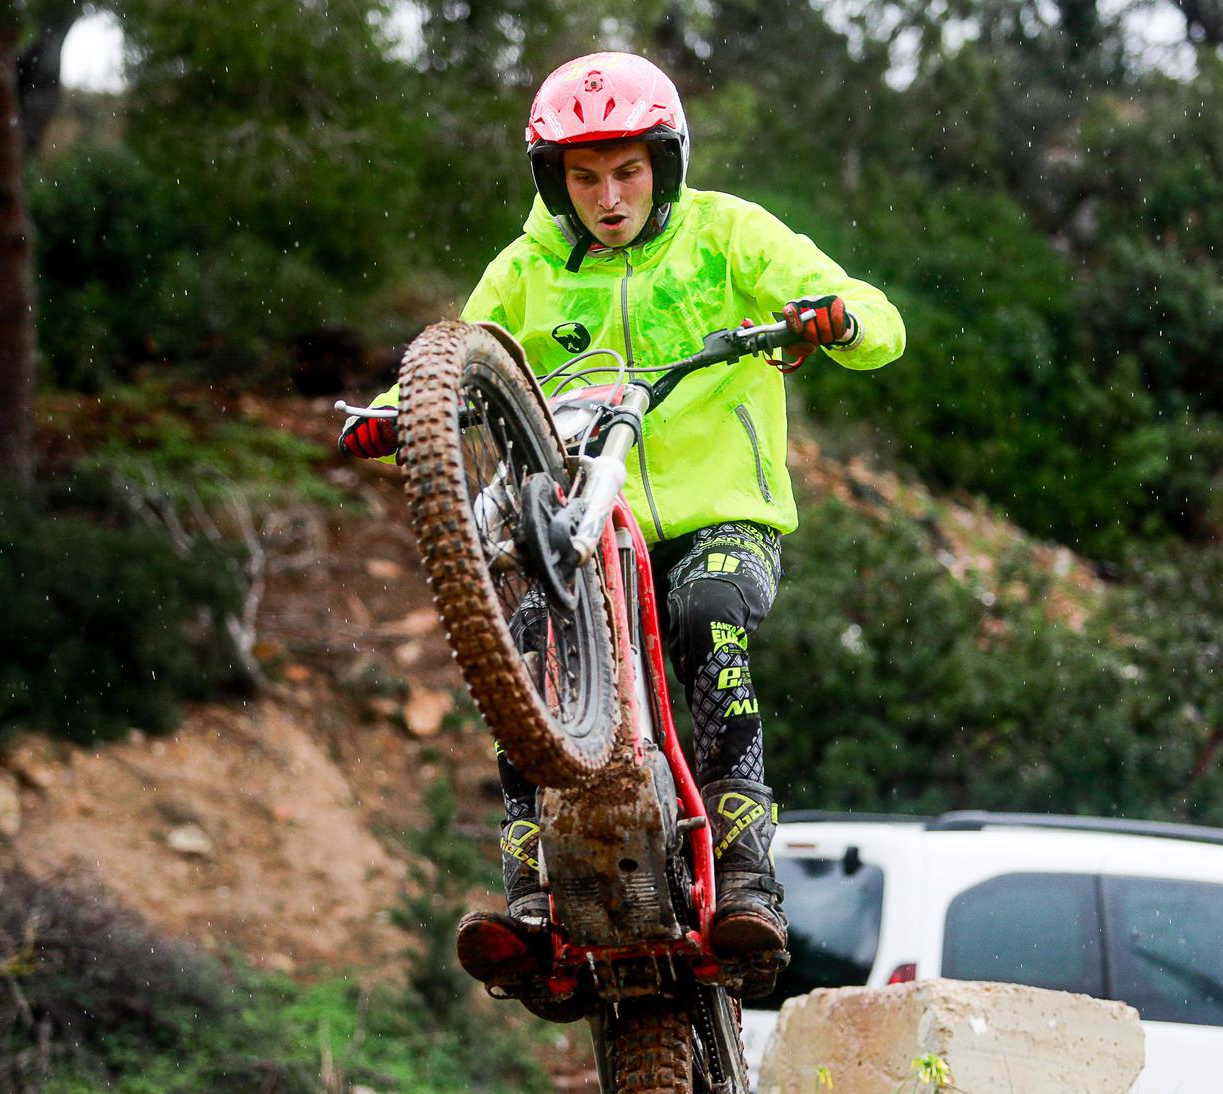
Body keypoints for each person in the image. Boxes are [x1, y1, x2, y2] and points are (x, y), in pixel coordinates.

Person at [341, 52, 903, 990]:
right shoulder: (527, 269)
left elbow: (878, 320)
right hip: (588, 526)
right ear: (554, 181)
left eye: (629, 171)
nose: (609, 196)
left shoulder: (729, 237)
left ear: (666, 164)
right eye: (585, 175)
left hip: (723, 517)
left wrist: (833, 321)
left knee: (705, 610)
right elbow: (456, 363)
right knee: (519, 639)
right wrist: (390, 414)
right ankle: (530, 891)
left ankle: (748, 875)